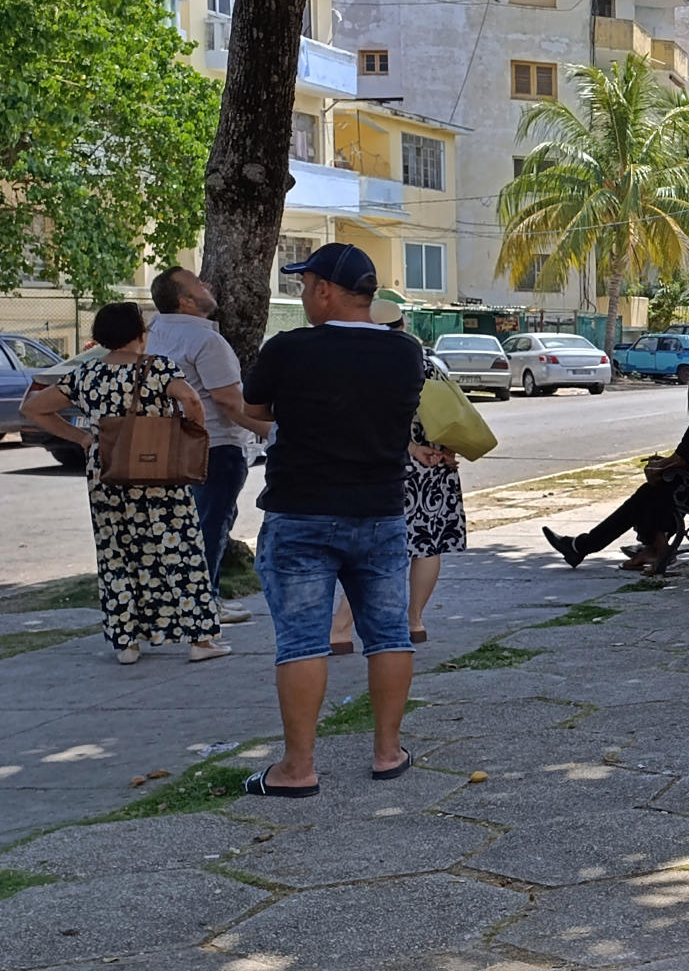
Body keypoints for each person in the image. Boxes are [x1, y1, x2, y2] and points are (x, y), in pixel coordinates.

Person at [241, 243, 423, 796]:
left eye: (304, 286)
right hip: (380, 512)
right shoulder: (406, 352)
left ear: (323, 289)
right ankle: (388, 752)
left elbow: (255, 408)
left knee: (301, 642)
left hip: (300, 512)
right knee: (389, 634)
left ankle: (298, 768)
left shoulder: (289, 350)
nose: (302, 296)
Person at [21, 303, 230, 666]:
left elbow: (34, 408)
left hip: (107, 471)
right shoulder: (159, 368)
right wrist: (191, 431)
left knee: (116, 553)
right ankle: (199, 639)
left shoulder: (86, 374)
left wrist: (83, 438)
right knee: (180, 549)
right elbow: (191, 398)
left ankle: (126, 643)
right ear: (140, 333)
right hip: (159, 472)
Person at [331, 300, 465, 652]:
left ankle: (340, 629)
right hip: (436, 465)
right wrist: (449, 451)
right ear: (404, 325)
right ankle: (415, 622)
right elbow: (458, 414)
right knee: (428, 545)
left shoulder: (365, 368)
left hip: (388, 465)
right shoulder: (429, 366)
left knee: (374, 550)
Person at [146, 266, 273, 629]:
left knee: (183, 526)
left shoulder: (153, 333)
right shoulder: (206, 341)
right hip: (214, 446)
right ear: (185, 301)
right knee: (210, 525)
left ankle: (183, 600)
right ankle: (205, 602)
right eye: (198, 284)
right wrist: (275, 432)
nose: (208, 285)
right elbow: (230, 403)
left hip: (167, 443)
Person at [545, 375, 689, 575]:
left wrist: (657, 465)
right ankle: (600, 546)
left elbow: (676, 462)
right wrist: (666, 463)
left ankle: (591, 546)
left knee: (646, 496)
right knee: (650, 495)